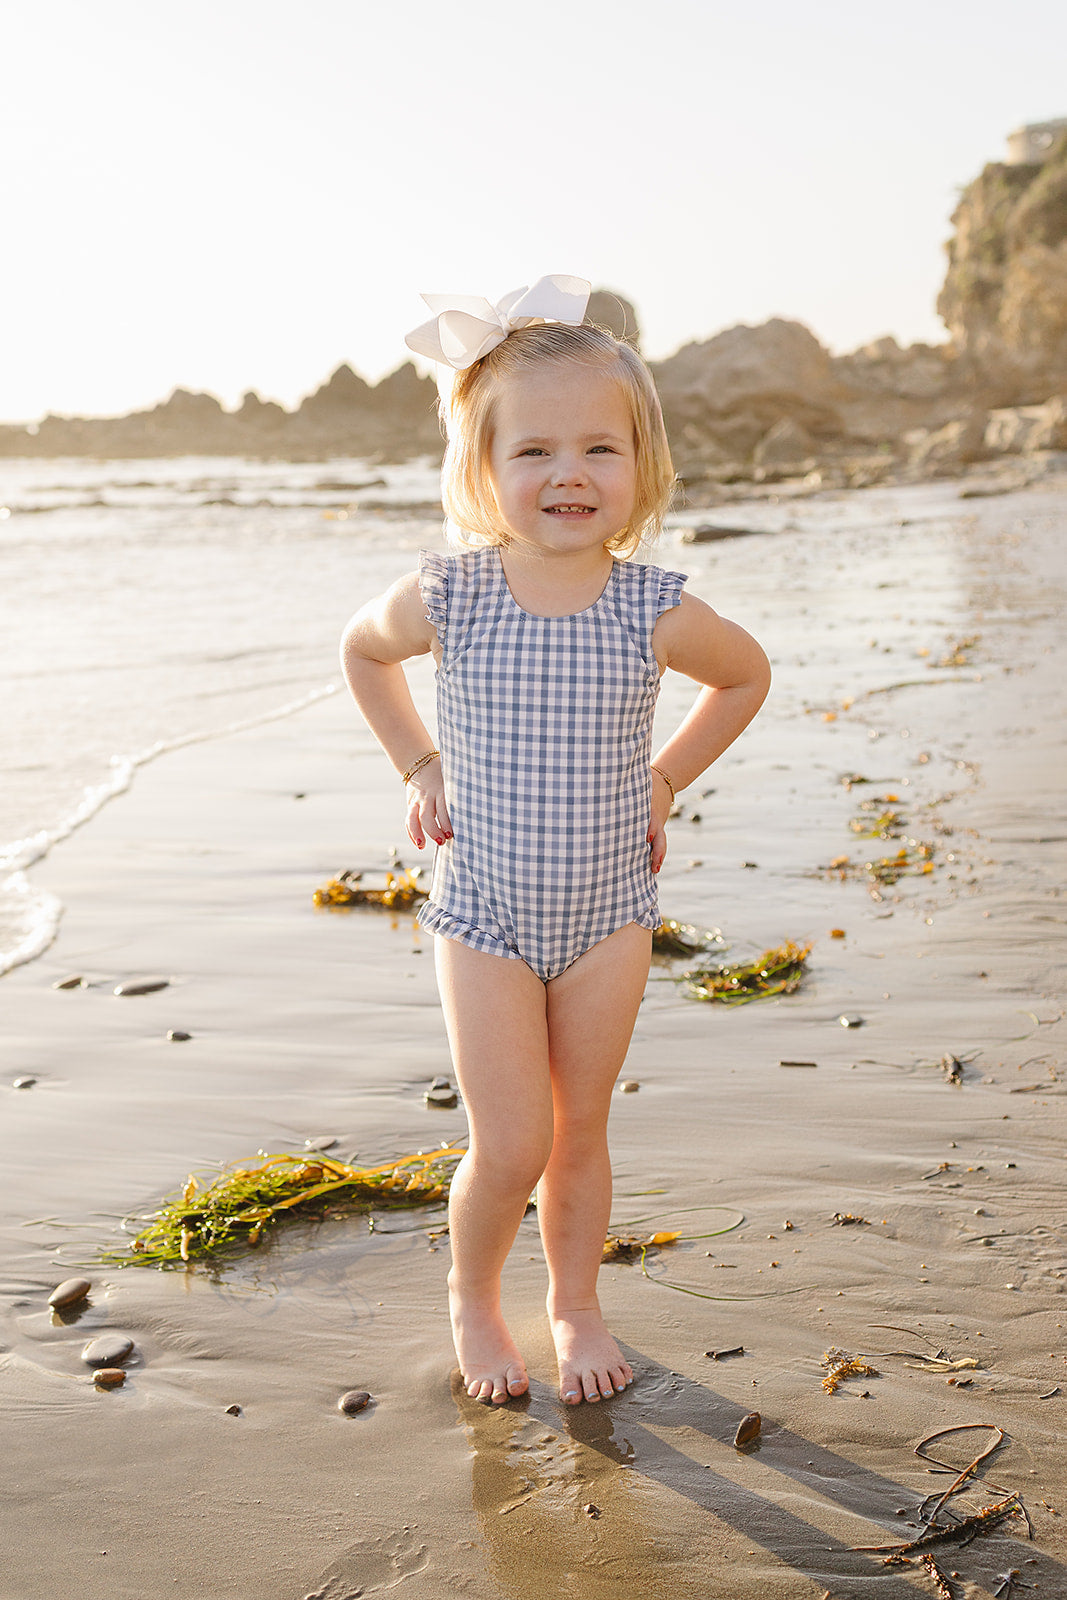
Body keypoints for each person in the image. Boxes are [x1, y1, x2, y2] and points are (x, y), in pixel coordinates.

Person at [341, 277, 770, 1408]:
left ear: (641, 467)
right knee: (510, 1140)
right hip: (482, 910)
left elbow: (744, 676)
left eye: (598, 448)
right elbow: (360, 654)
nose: (567, 473)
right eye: (533, 450)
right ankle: (473, 1299)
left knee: (580, 1132)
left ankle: (573, 1304)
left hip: (607, 917)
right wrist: (419, 764)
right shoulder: (453, 592)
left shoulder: (650, 606)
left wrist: (664, 779)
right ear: (482, 471)